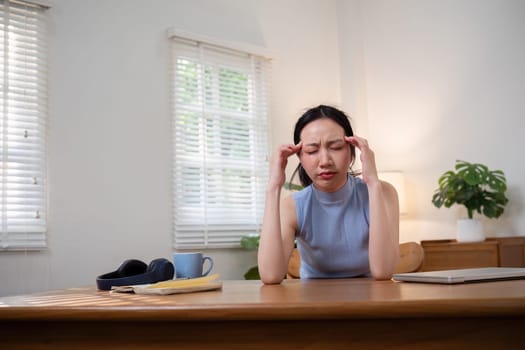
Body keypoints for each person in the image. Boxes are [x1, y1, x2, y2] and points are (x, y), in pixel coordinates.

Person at [258, 105, 399, 284]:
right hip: (314, 304)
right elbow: (270, 276)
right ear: (300, 157)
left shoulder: (383, 193)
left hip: (373, 303)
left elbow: (383, 271)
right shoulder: (292, 206)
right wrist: (273, 187)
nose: (325, 161)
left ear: (352, 151)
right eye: (311, 151)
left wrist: (373, 184)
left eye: (336, 147)